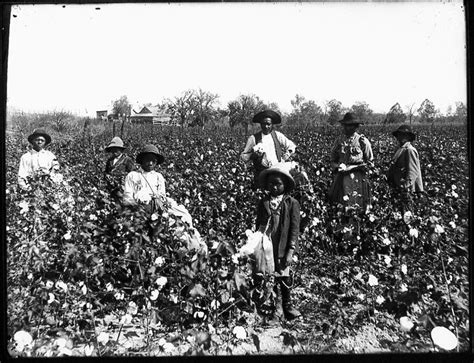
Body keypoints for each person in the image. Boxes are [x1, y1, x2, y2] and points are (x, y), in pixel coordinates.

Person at [123, 144, 206, 253]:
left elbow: (162, 196)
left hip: (157, 211)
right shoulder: (133, 176)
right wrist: (138, 207)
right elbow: (128, 197)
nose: (150, 163)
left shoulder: (158, 177)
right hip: (139, 211)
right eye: (148, 160)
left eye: (153, 161)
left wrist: (158, 202)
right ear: (142, 160)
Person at [256, 165, 301, 321]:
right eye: (271, 184)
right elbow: (259, 225)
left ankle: (288, 304)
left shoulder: (292, 203)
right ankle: (277, 305)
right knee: (271, 275)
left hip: (283, 247)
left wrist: (291, 250)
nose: (274, 187)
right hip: (269, 246)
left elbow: (295, 229)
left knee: (284, 275)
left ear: (285, 185)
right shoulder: (264, 203)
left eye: (278, 184)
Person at [328, 112, 374, 210]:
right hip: (342, 177)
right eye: (345, 125)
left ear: (355, 127)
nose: (346, 128)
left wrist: (355, 167)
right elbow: (332, 160)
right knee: (341, 204)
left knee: (358, 204)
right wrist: (338, 166)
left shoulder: (362, 141)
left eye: (349, 126)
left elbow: (370, 163)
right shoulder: (339, 141)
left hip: (358, 178)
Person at [240, 110, 296, 188]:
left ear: (272, 124)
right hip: (261, 173)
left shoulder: (277, 135)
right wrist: (253, 155)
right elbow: (243, 156)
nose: (266, 126)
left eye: (268, 124)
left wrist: (286, 155)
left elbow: (291, 146)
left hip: (277, 171)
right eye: (263, 124)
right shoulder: (253, 138)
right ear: (260, 124)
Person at [386, 125, 424, 213]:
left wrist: (405, 187)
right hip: (399, 187)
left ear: (409, 137)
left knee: (407, 215)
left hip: (406, 190)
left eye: (404, 135)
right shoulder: (401, 149)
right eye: (399, 135)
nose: (401, 137)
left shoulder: (410, 150)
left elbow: (413, 172)